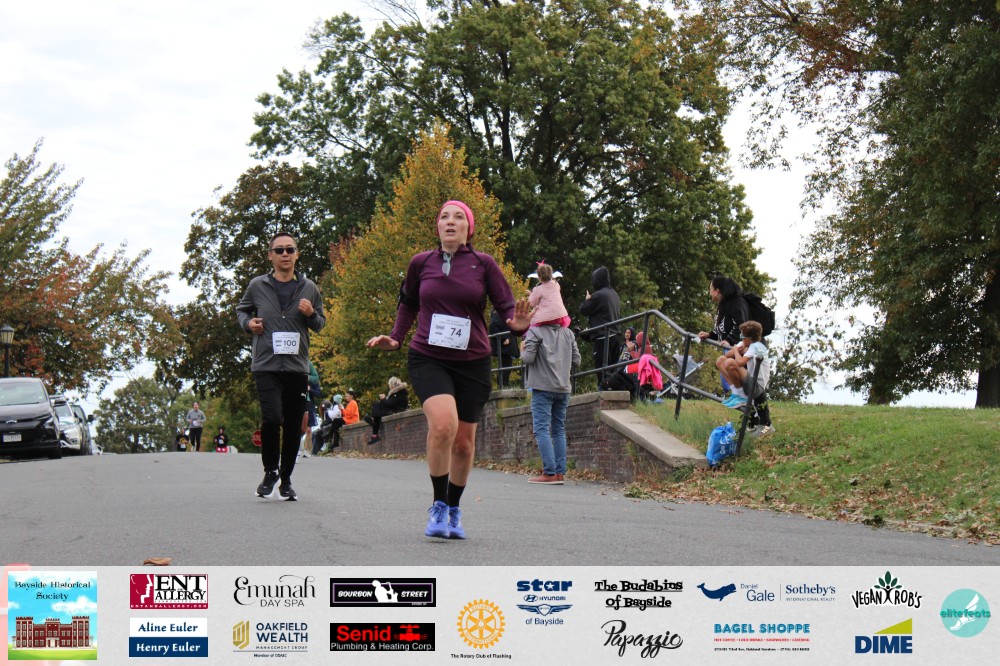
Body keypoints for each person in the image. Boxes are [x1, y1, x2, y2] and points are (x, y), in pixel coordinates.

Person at [367, 199, 530, 540]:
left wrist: (518, 325)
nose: (451, 222)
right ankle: (438, 505)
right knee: (443, 425)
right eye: (444, 217)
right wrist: (395, 338)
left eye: (458, 217)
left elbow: (507, 310)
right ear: (438, 226)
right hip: (429, 357)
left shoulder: (483, 264)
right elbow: (408, 305)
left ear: (469, 228)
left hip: (473, 362)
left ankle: (454, 509)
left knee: (464, 445)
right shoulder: (421, 263)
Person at [236, 231, 325, 501]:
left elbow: (320, 324)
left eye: (290, 249)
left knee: (294, 425)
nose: (285, 254)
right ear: (270, 256)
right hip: (266, 364)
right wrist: (249, 324)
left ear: (297, 254)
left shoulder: (309, 287)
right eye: (279, 250)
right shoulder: (257, 285)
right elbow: (242, 310)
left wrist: (310, 314)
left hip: (297, 367)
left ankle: (286, 480)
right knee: (272, 418)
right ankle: (270, 472)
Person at [521, 322, 581, 484]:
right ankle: (560, 473)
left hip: (542, 387)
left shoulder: (535, 331)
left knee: (541, 429)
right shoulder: (568, 333)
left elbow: (528, 358)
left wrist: (522, 349)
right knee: (558, 430)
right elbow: (577, 361)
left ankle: (549, 472)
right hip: (563, 388)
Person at [697, 276, 750, 394]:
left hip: (738, 348)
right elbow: (724, 327)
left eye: (710, 289)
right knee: (724, 374)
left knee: (730, 373)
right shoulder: (725, 304)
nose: (709, 292)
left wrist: (729, 340)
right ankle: (737, 396)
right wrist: (710, 334)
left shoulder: (736, 303)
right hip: (730, 347)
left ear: (717, 291)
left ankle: (741, 397)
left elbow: (741, 325)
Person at [579, 266, 622, 382]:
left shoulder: (599, 295)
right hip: (616, 336)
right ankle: (612, 390)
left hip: (603, 337)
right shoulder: (614, 294)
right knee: (613, 372)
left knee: (602, 372)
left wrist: (588, 299)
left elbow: (583, 309)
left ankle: (603, 388)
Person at [719, 320, 771, 410]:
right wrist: (739, 350)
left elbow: (740, 362)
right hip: (749, 382)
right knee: (721, 360)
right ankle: (736, 393)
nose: (741, 338)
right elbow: (727, 355)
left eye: (742, 336)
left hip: (756, 387)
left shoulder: (756, 346)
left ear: (748, 338)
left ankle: (742, 397)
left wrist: (736, 351)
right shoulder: (746, 343)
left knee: (730, 363)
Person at [364, 376, 409, 445]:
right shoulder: (396, 392)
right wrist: (383, 400)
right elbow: (389, 403)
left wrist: (383, 399)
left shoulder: (398, 393)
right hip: (393, 410)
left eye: (389, 385)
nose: (389, 386)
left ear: (392, 385)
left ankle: (374, 433)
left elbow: (390, 404)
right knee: (376, 406)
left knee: (377, 409)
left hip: (395, 411)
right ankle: (374, 434)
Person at [528, 262, 570, 328]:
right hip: (559, 315)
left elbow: (532, 303)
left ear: (538, 276)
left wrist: (531, 295)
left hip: (544, 318)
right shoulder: (556, 284)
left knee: (531, 329)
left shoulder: (537, 289)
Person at [488, 309, 520, 387]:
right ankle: (503, 385)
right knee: (506, 366)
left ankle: (504, 385)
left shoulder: (503, 313)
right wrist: (504, 339)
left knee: (507, 366)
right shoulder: (498, 312)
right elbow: (493, 328)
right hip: (504, 347)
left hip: (506, 346)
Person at [300, 360, 322, 458]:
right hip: (300, 401)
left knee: (308, 429)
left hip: (310, 404)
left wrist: (310, 390)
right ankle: (299, 448)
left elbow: (318, 393)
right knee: (300, 427)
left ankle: (306, 450)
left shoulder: (312, 380)